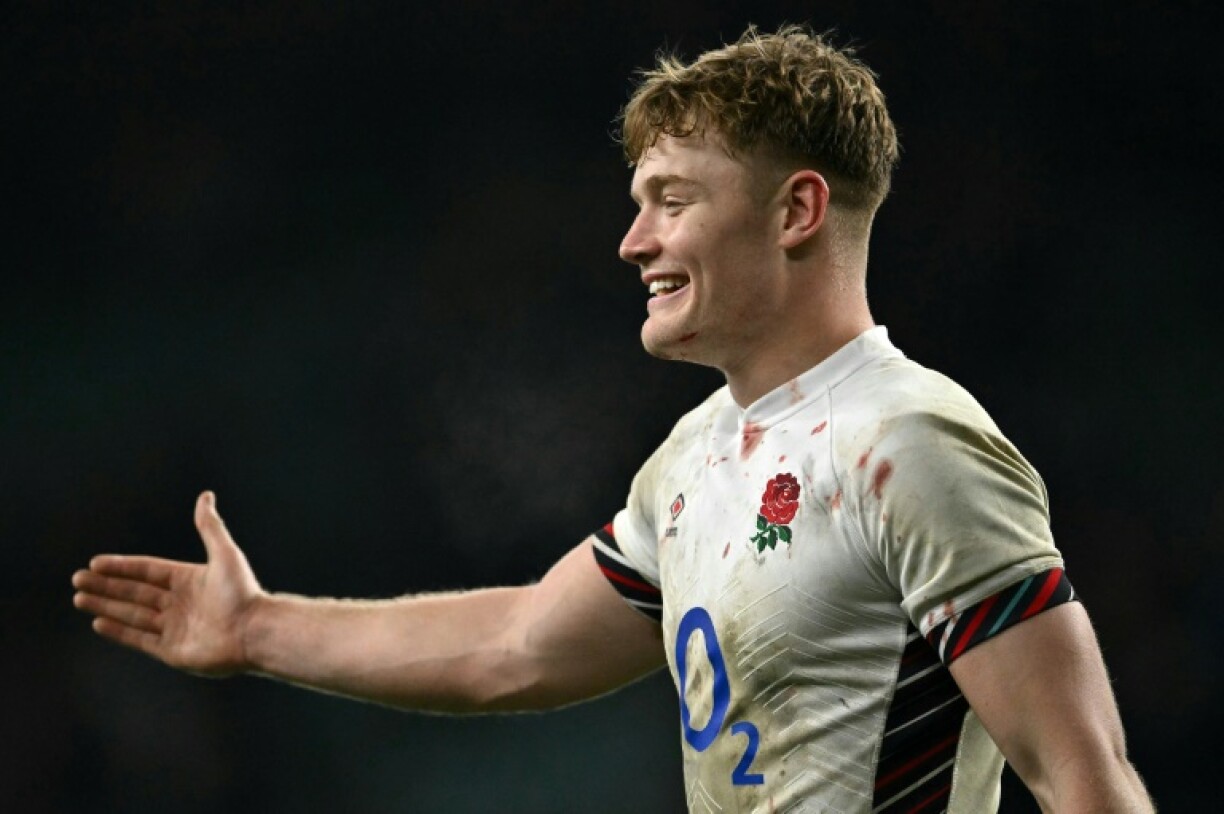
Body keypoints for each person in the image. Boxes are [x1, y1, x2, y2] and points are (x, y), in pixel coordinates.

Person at [72, 24, 1155, 813]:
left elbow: (1082, 775)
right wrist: (259, 628)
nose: (634, 242)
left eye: (673, 200)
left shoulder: (908, 442)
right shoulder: (695, 458)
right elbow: (513, 644)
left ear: (797, 211)